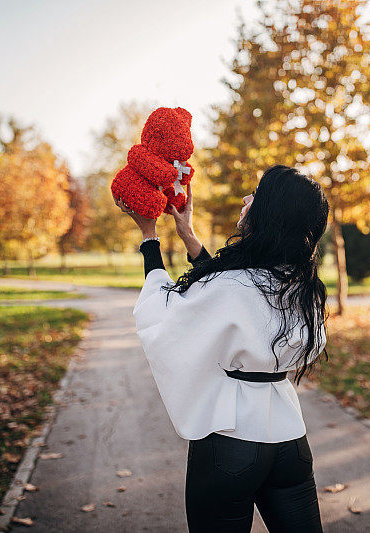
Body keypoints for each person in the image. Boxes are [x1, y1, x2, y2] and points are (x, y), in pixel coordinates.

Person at [114, 164, 329, 532]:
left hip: (231, 443)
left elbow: (165, 316)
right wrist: (188, 234)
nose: (247, 199)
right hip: (290, 440)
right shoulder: (303, 285)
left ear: (270, 213)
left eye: (256, 195)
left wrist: (149, 236)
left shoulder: (234, 284)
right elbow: (241, 299)